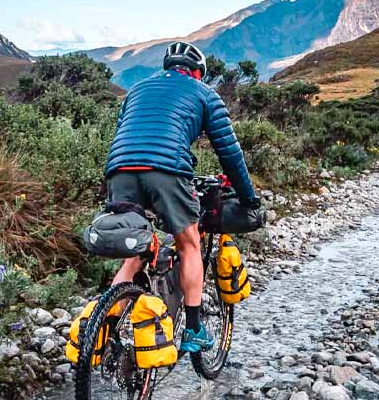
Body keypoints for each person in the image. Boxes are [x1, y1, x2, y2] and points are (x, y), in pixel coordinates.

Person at [103, 42, 261, 353]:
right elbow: (230, 154)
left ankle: (103, 336)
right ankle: (193, 329)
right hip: (166, 172)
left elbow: (126, 134)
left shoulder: (137, 90)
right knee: (189, 244)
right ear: (198, 72)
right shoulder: (204, 93)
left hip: (119, 169)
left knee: (134, 254)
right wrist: (249, 198)